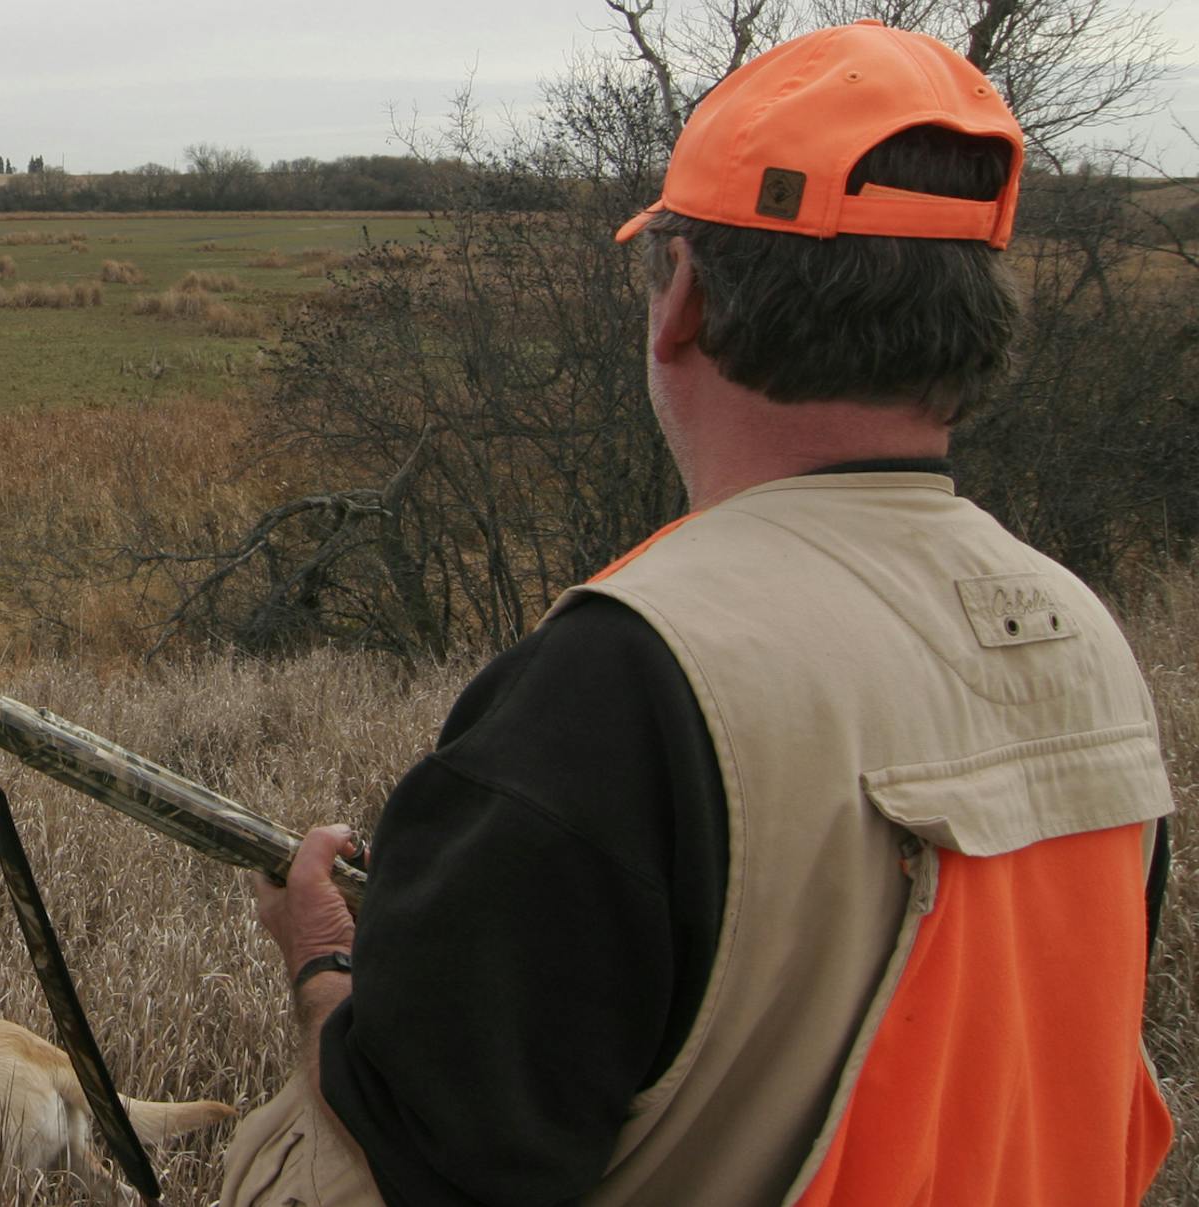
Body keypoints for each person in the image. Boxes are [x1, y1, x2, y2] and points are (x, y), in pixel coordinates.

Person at [225, 20, 1176, 1207]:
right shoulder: (1085, 643)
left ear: (682, 298)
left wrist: (326, 972)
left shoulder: (623, 683)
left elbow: (409, 1163)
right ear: (978, 320)